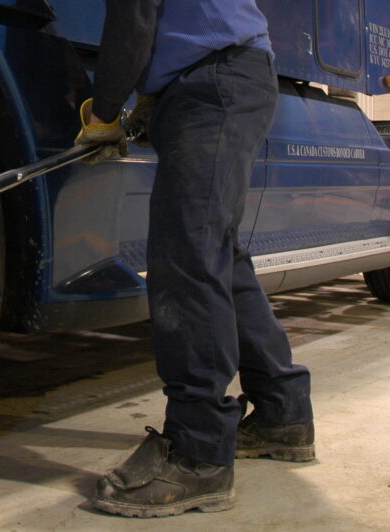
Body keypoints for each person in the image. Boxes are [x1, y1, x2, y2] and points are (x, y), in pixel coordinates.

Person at [75, 0, 315, 519]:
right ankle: (281, 412)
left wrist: (105, 110)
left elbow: (134, 15)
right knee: (216, 255)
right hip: (225, 75)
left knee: (186, 254)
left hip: (214, 79)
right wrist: (150, 99)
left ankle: (199, 452)